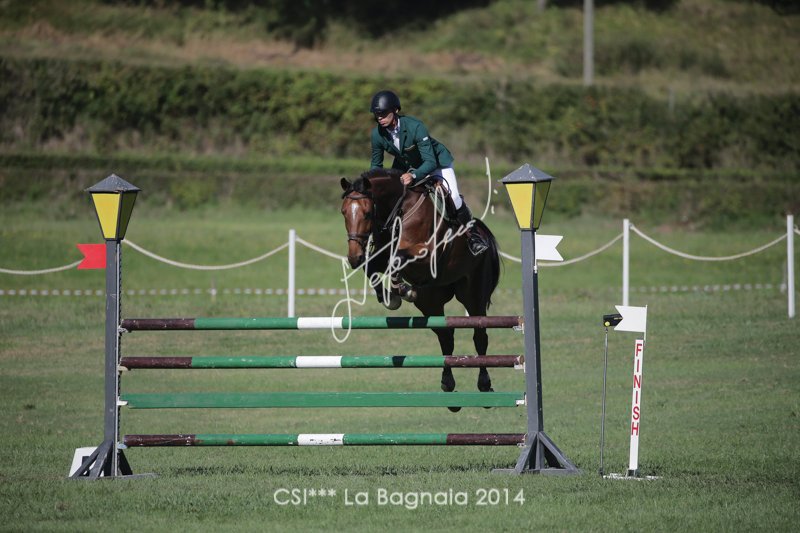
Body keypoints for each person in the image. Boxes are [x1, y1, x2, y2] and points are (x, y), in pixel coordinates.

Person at [369, 90, 488, 256]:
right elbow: (376, 165)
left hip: (437, 163)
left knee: (454, 197)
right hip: (406, 165)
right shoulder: (377, 134)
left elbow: (430, 162)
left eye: (383, 113)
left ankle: (473, 236)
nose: (380, 118)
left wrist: (414, 176)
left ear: (395, 110)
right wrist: (372, 186)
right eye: (377, 115)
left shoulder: (415, 127)